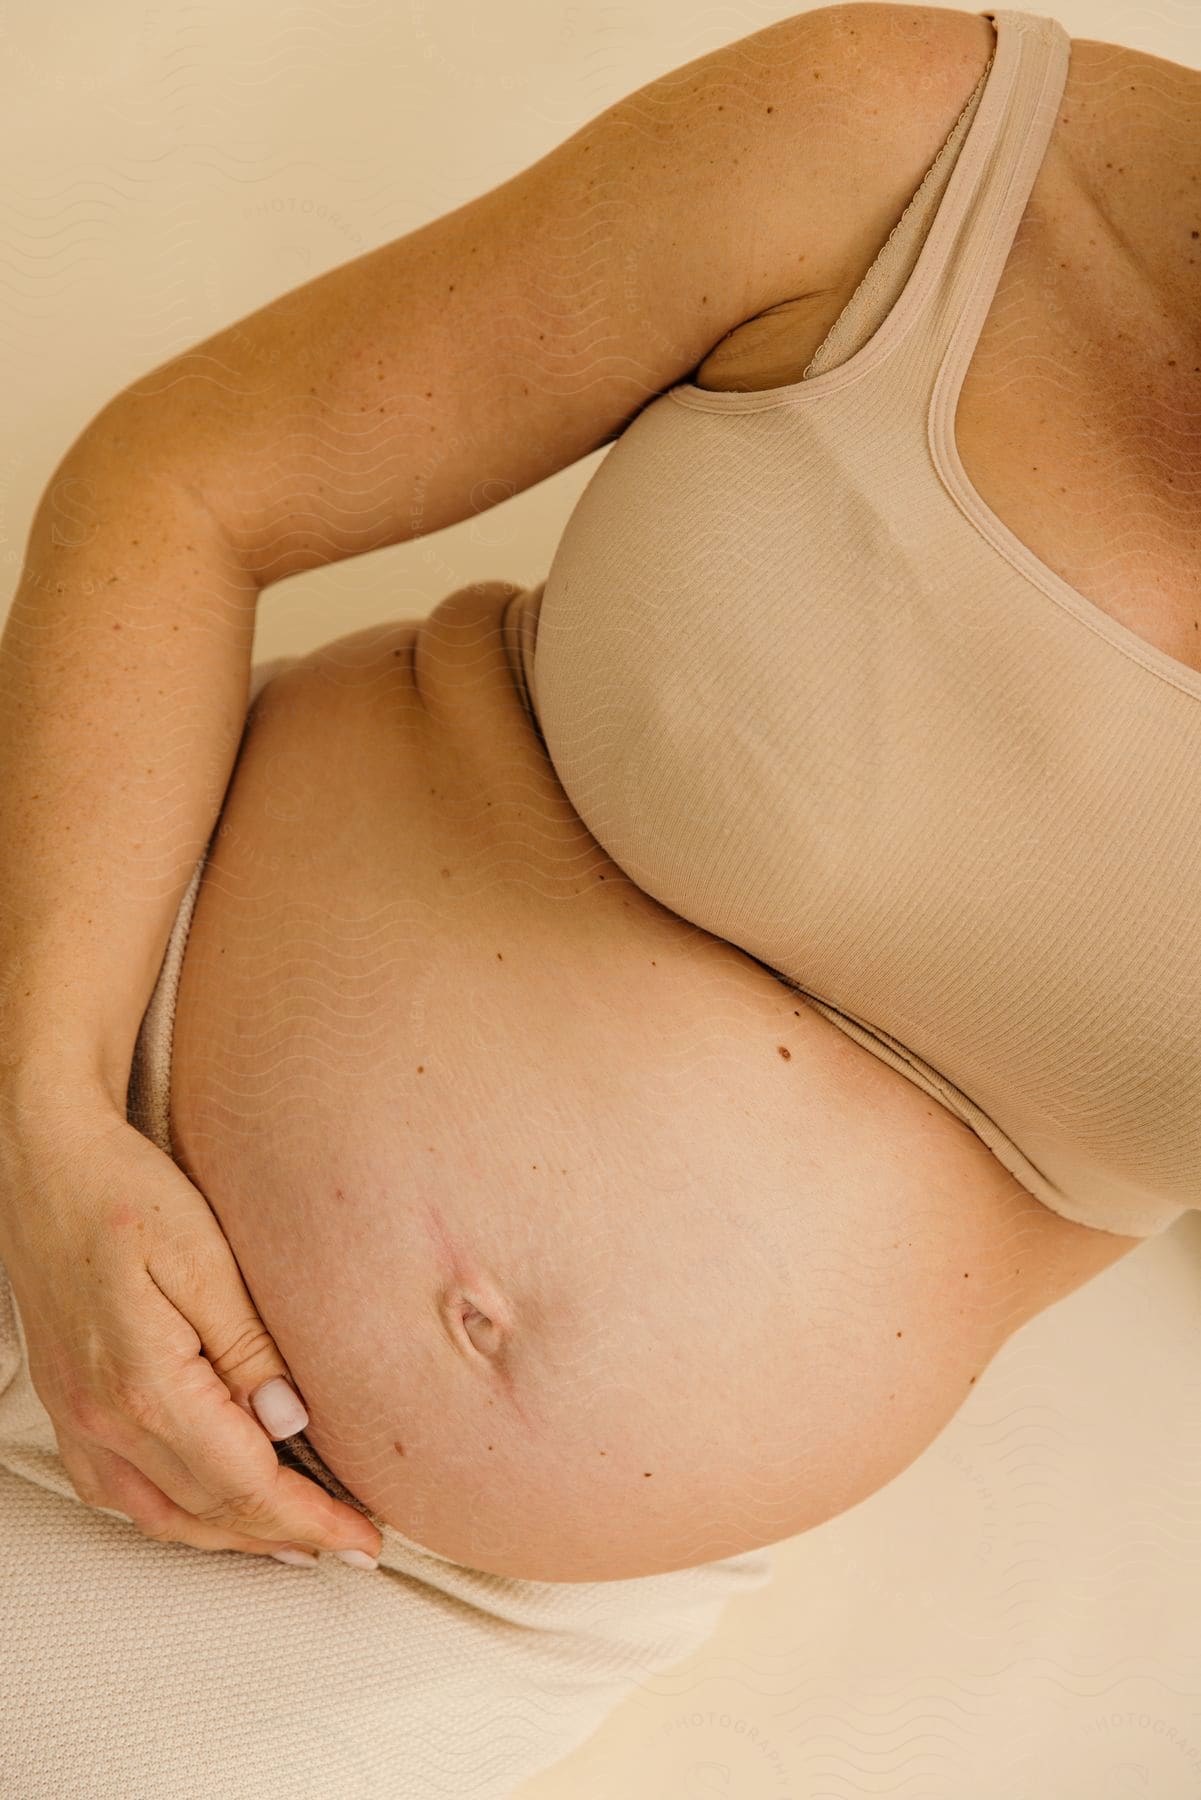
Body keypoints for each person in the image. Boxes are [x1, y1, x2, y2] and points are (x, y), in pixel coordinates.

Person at [0, 3, 1196, 1791]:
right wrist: (49, 1114)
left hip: (373, 1601)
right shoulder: (910, 137)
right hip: (70, 1035)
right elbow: (184, 488)